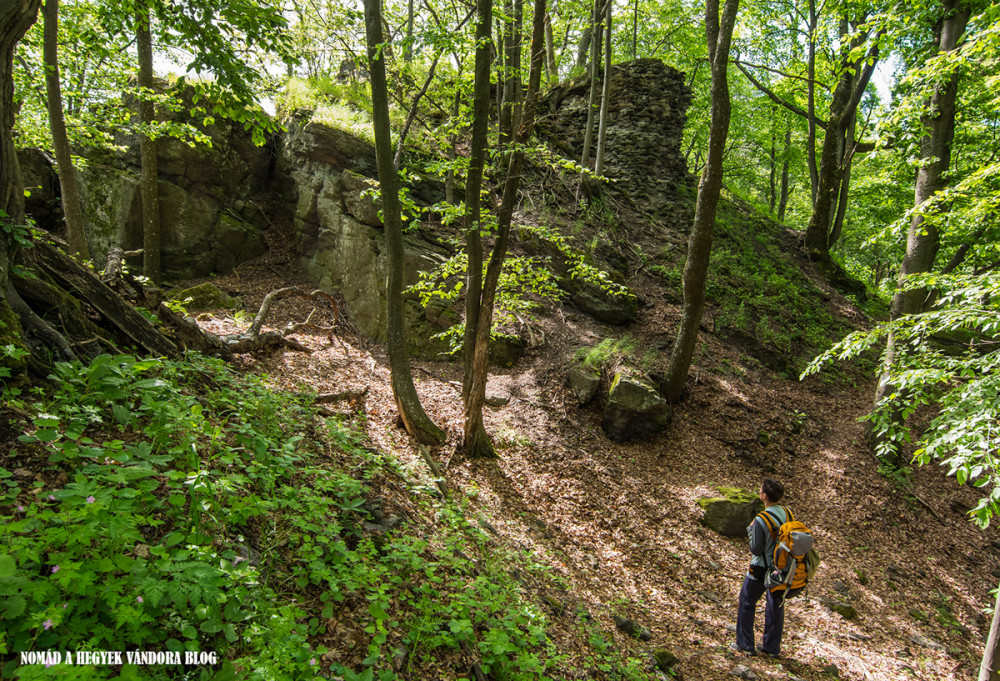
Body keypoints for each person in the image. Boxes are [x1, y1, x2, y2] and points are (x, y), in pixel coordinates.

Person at [732, 478, 794, 658]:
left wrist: (750, 529)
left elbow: (756, 549)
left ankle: (745, 644)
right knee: (776, 604)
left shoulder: (761, 519)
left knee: (747, 601)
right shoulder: (787, 513)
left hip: (761, 568)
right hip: (782, 568)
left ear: (764, 495)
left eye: (760, 489)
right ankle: (772, 648)